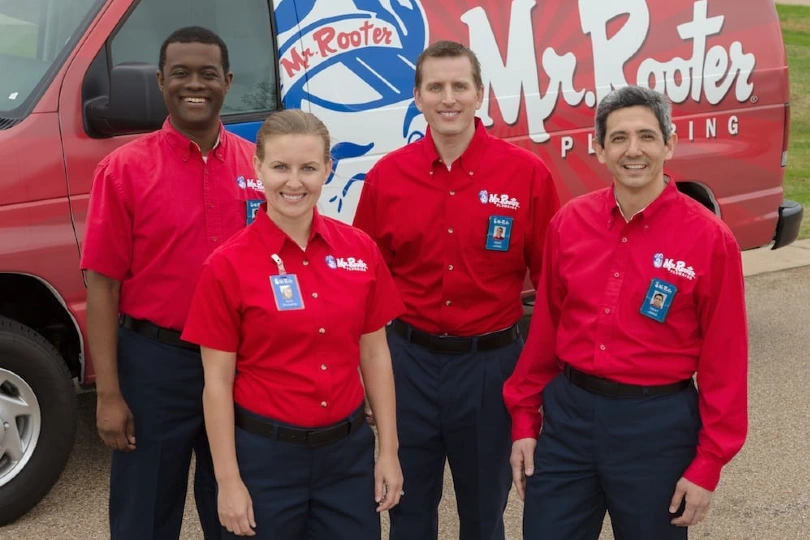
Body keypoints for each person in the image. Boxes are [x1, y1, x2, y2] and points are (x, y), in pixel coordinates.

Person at [504, 85, 748, 539]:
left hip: (655, 428)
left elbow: (725, 362)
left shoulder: (710, 240)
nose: (633, 151)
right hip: (569, 421)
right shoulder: (569, 224)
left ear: (669, 143)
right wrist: (524, 421)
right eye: (618, 138)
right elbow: (543, 335)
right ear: (598, 148)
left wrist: (708, 464)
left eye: (646, 137)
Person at [353, 40, 560, 540]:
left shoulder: (526, 175)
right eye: (436, 87)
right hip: (408, 365)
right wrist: (359, 372)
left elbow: (555, 288)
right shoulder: (387, 177)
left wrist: (541, 382)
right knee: (405, 509)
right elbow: (362, 286)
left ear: (479, 94)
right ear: (417, 97)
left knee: (484, 513)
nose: (449, 98)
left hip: (490, 369)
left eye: (459, 86)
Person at [180, 109, 404, 539]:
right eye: (280, 167)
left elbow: (375, 353)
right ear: (258, 167)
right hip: (265, 460)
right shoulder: (226, 266)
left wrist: (388, 451)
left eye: (308, 168)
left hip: (347, 457)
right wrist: (228, 482)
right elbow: (217, 383)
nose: (294, 182)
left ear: (329, 169)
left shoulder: (360, 250)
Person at [81, 26, 264, 539]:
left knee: (237, 510)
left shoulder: (257, 166)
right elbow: (102, 287)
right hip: (154, 367)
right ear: (161, 82)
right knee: (144, 512)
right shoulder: (123, 170)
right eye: (180, 73)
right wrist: (109, 394)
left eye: (208, 73)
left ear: (228, 81)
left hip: (240, 363)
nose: (194, 84)